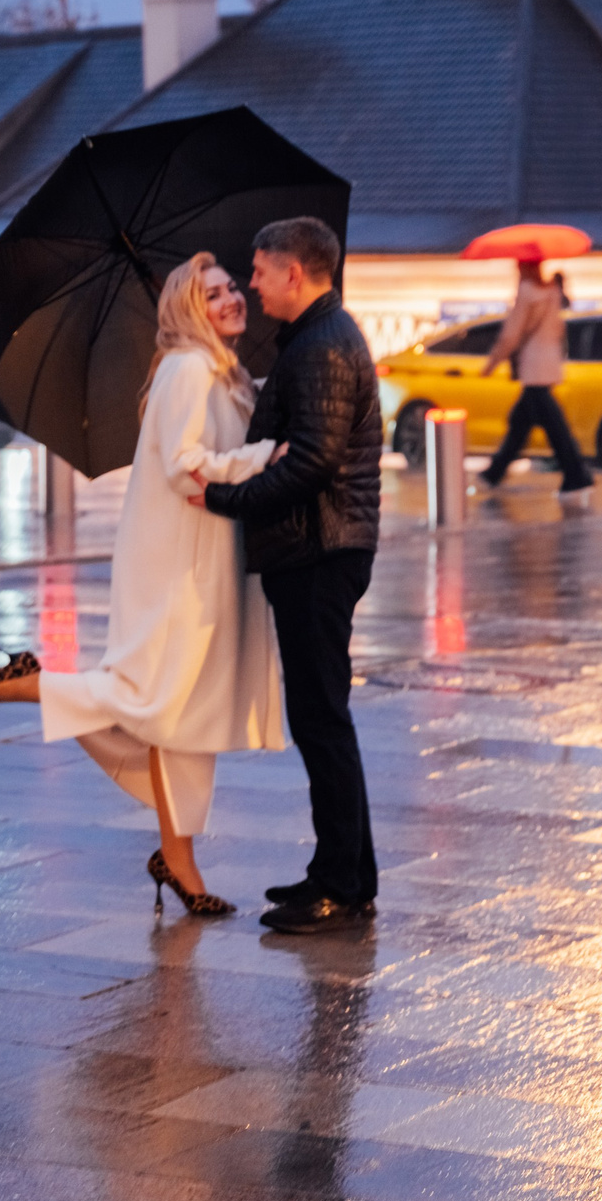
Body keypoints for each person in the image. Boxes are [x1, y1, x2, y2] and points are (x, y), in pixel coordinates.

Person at [0, 253, 286, 917]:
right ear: (188, 309)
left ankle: (179, 858)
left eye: (231, 289)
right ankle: (28, 683)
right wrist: (264, 456)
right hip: (180, 568)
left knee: (187, 716)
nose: (232, 299)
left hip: (213, 559)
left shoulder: (227, 373)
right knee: (158, 699)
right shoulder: (188, 370)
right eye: (214, 293)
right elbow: (184, 465)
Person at [200, 216, 384, 934]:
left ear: (295, 275)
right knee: (323, 717)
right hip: (320, 548)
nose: (252, 282)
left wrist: (221, 498)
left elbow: (310, 463)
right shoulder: (316, 340)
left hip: (320, 549)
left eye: (261, 269)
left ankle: (339, 884)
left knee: (322, 719)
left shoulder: (323, 347)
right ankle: (347, 872)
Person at [480, 258, 592, 495]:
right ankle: (495, 471)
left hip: (533, 368)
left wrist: (492, 364)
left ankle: (576, 474)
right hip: (548, 365)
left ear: (524, 268)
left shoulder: (527, 292)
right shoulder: (552, 292)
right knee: (520, 423)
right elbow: (559, 330)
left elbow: (511, 334)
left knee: (554, 427)